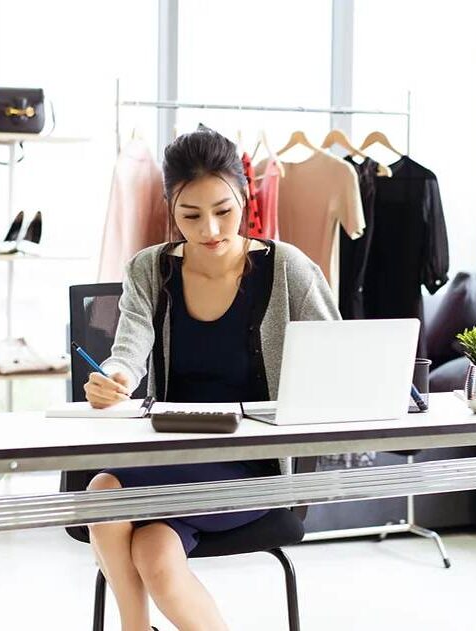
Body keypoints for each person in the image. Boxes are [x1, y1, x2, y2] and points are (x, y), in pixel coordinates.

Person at [84, 126, 339, 631]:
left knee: (105, 492)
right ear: (170, 210)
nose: (210, 229)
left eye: (223, 210)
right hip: (172, 457)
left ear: (245, 197)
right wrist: (114, 376)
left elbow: (338, 356)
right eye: (190, 216)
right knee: (151, 547)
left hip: (254, 464)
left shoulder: (287, 268)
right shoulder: (148, 269)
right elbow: (129, 348)